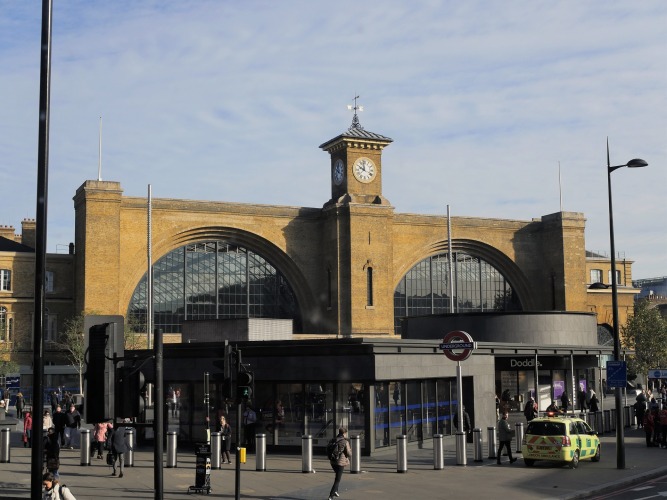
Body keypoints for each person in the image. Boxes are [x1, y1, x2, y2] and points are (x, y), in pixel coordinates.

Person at [327, 426, 352, 500]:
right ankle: (331, 495)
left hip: (332, 461)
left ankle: (335, 491)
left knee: (337, 476)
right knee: (337, 479)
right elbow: (349, 453)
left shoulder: (333, 439)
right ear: (344, 433)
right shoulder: (345, 442)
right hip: (340, 462)